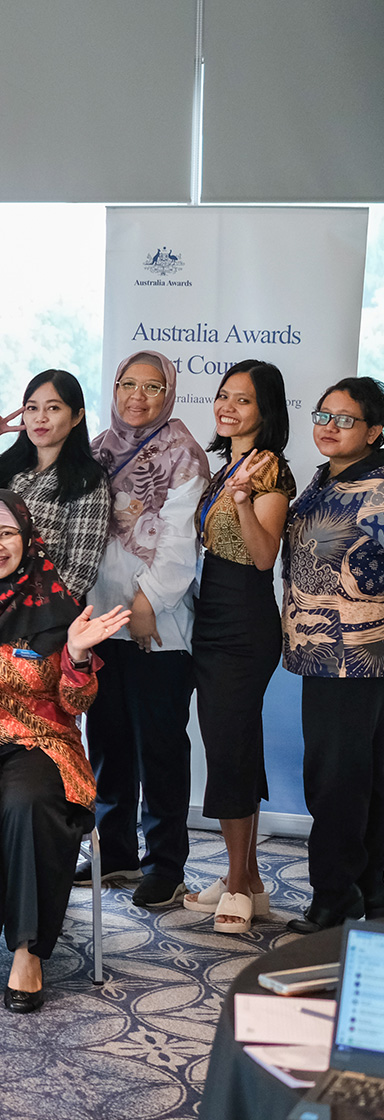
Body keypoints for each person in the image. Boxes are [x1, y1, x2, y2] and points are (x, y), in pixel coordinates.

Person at [0, 491, 129, 1012]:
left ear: (27, 537)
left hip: (44, 738)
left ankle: (27, 950)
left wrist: (77, 655)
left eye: (6, 533)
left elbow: (76, 701)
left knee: (29, 805)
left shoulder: (59, 605)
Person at [81, 351, 209, 908]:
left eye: (151, 387)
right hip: (99, 620)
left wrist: (145, 601)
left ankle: (166, 863)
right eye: (127, 384)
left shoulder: (184, 454)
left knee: (159, 745)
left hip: (160, 624)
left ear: (169, 393)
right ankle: (114, 853)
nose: (138, 396)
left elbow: (180, 545)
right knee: (107, 741)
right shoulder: (95, 451)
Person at [183, 361, 294, 932]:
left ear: (265, 411)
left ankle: (238, 880)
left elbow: (262, 556)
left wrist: (247, 502)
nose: (227, 407)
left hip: (245, 624)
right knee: (237, 745)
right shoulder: (224, 465)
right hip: (211, 618)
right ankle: (245, 880)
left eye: (242, 401)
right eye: (224, 397)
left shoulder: (269, 469)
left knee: (228, 749)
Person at [282, 377, 384, 934]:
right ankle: (370, 890)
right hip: (322, 651)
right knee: (354, 775)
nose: (329, 425)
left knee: (339, 777)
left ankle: (334, 896)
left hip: (356, 654)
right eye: (324, 414)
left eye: (346, 419)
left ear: (375, 430)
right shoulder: (325, 478)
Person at [0, 370, 110, 596]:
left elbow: (80, 575)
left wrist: (18, 616)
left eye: (53, 408)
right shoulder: (5, 467)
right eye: (32, 408)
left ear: (77, 417)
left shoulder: (86, 481)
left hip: (40, 620)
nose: (40, 417)